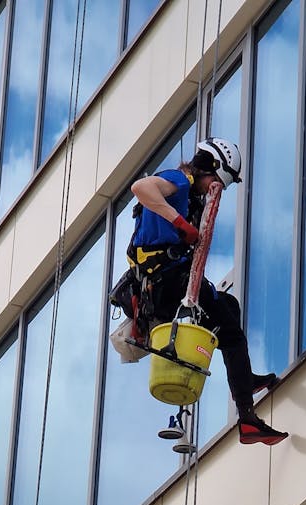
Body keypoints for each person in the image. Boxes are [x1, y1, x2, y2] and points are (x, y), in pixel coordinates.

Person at [119, 137, 288, 447]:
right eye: (217, 180)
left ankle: (244, 381)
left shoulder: (193, 198)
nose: (217, 189)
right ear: (209, 167)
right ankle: (247, 419)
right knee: (232, 333)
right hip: (165, 283)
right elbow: (141, 189)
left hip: (168, 286)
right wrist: (180, 223)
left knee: (229, 308)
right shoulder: (179, 180)